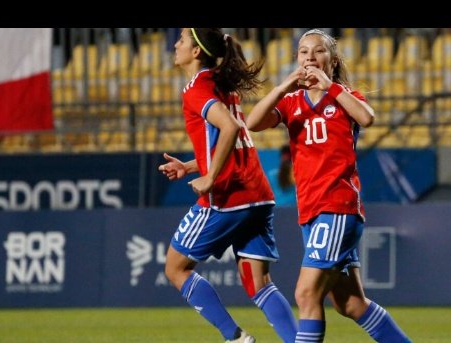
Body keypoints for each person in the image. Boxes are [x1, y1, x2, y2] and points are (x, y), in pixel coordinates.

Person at [246, 29, 411, 342]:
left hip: (336, 207)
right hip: (311, 211)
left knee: (306, 294)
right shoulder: (292, 102)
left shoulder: (344, 97)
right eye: (303, 52)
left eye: (318, 51)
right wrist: (282, 87)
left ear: (332, 61)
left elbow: (367, 117)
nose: (309, 57)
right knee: (350, 304)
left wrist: (331, 87)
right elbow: (252, 122)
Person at [158, 28, 298, 343]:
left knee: (175, 268)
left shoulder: (197, 89)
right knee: (259, 285)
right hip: (258, 195)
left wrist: (209, 177)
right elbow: (228, 139)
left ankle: (234, 337)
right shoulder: (222, 86)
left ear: (196, 52)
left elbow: (231, 127)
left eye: (181, 39)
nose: (176, 45)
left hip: (227, 198)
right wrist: (192, 166)